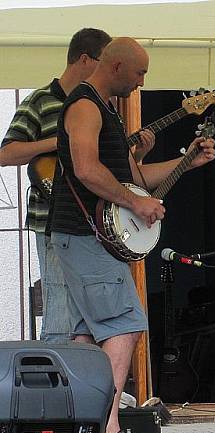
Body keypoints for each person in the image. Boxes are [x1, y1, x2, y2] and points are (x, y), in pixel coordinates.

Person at [50, 37, 215, 433]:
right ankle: (106, 428)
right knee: (125, 322)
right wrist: (135, 204)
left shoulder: (108, 110)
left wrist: (186, 162)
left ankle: (85, 424)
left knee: (86, 333)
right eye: (140, 73)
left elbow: (135, 178)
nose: (142, 82)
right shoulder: (85, 106)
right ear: (118, 65)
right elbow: (88, 170)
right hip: (84, 232)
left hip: (87, 236)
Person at [0, 28, 156, 344]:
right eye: (101, 61)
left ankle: (83, 384)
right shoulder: (42, 101)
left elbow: (105, 167)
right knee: (62, 310)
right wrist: (58, 141)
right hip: (55, 220)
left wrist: (135, 155)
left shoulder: (105, 105)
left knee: (81, 321)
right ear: (85, 60)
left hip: (95, 222)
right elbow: (6, 153)